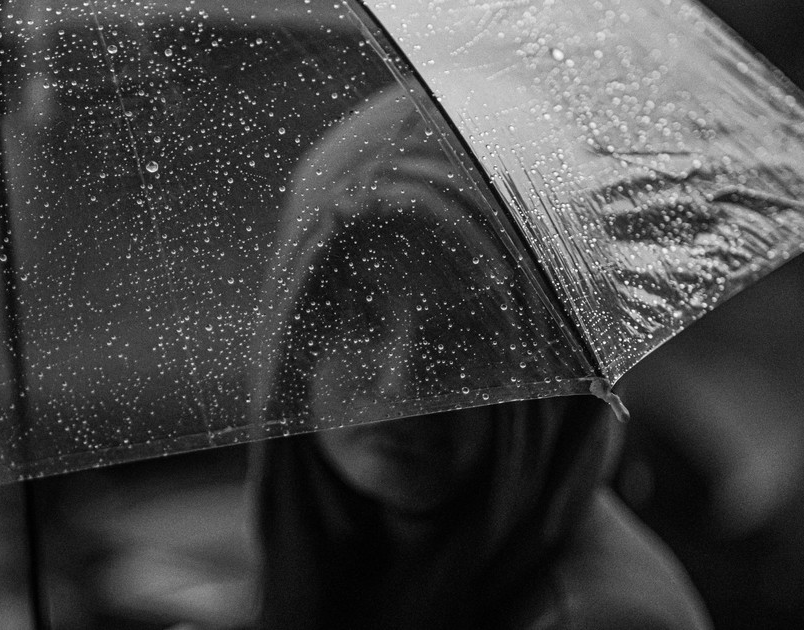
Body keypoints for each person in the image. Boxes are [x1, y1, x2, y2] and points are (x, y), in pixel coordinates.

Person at [249, 85, 711, 630]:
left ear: (554, 365)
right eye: (361, 320)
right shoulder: (367, 555)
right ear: (293, 341)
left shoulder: (601, 618)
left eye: (460, 334)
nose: (400, 382)